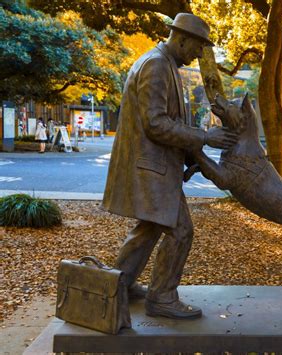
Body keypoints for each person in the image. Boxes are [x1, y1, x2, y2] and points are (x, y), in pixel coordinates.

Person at [102, 13, 238, 319]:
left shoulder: (163, 64)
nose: (198, 54)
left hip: (156, 166)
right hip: (152, 169)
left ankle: (119, 285)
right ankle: (161, 296)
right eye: (197, 46)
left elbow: (166, 122)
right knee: (181, 231)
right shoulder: (157, 65)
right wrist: (205, 137)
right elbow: (156, 123)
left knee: (149, 229)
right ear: (181, 38)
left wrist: (191, 157)